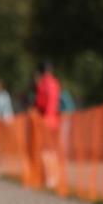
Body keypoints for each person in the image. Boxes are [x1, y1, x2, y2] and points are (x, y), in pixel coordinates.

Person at [33, 61, 61, 189]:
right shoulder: (55, 82)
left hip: (45, 120)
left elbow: (40, 103)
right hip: (55, 119)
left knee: (45, 150)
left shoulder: (42, 84)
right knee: (52, 149)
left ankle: (49, 178)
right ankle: (55, 176)